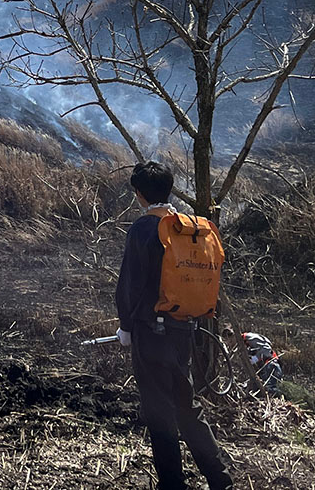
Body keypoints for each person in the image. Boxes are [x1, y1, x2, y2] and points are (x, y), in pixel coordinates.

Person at [115, 162, 233, 490]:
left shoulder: (143, 228)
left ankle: (171, 484)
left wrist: (125, 326)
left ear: (139, 194)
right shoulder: (190, 228)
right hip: (185, 329)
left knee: (158, 412)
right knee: (188, 407)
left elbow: (130, 284)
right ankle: (220, 479)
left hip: (150, 333)